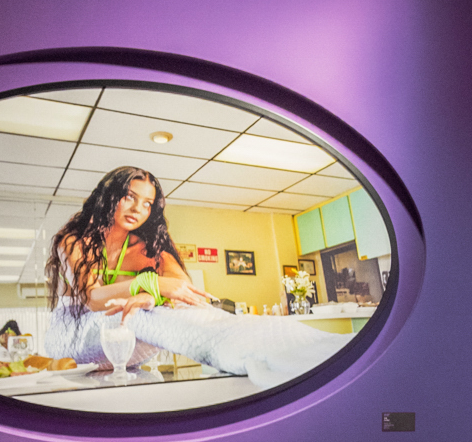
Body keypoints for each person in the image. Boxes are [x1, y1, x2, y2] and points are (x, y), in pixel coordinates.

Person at [41, 166, 347, 388]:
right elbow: (94, 299)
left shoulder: (148, 247)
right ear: (109, 196)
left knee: (149, 310)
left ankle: (292, 344)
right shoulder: (75, 240)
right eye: (130, 197)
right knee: (137, 315)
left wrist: (149, 295)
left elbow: (182, 290)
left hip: (122, 340)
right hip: (73, 333)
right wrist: (150, 283)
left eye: (147, 203)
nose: (138, 209)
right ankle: (244, 349)